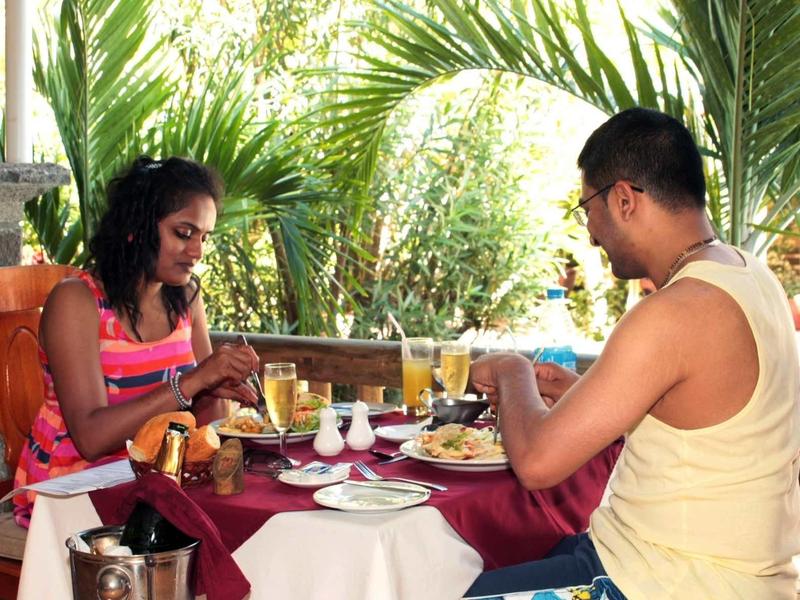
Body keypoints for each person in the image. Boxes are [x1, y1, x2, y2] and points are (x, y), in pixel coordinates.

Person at [465, 108, 800, 598]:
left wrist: (513, 370)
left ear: (623, 199)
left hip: (666, 581)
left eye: (587, 209)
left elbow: (537, 463)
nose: (590, 232)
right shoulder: (750, 274)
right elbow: (706, 421)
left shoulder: (673, 311)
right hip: (702, 568)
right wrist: (582, 394)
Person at [13, 156, 260, 527]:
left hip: (154, 486)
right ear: (137, 226)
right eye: (183, 233)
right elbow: (91, 439)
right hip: (71, 494)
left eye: (204, 237)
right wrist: (193, 381)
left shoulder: (186, 298)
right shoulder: (77, 300)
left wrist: (215, 387)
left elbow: (206, 432)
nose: (197, 252)